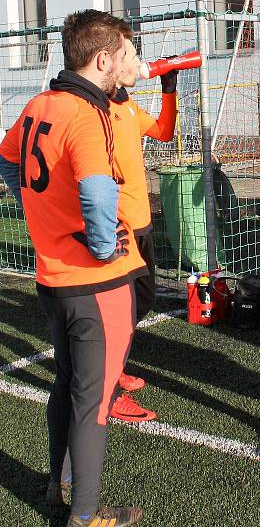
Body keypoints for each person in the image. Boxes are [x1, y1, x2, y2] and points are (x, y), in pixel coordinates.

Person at [0, 9, 147, 526]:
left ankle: (56, 485)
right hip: (94, 284)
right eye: (122, 55)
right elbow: (97, 189)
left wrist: (40, 211)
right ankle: (84, 515)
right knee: (95, 401)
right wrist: (105, 246)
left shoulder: (41, 102)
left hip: (53, 280)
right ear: (103, 59)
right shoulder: (90, 114)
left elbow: (7, 156)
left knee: (67, 384)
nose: (127, 64)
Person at [106, 37, 179, 420]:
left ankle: (113, 366)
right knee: (118, 312)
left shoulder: (127, 105)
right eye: (131, 56)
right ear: (110, 64)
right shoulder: (96, 109)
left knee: (142, 302)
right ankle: (110, 390)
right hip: (117, 229)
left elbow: (164, 132)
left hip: (142, 222)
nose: (138, 62)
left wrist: (170, 88)